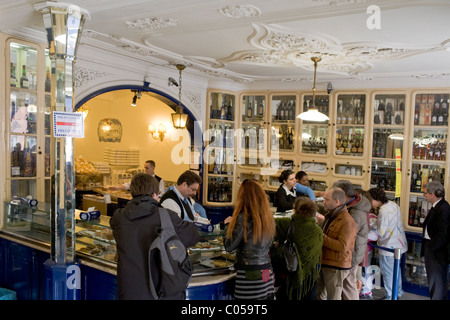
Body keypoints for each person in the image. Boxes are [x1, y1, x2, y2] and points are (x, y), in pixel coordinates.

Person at [110, 173, 199, 300]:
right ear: (154, 194)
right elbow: (193, 236)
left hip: (130, 290)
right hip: (160, 289)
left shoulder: (119, 217)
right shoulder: (166, 216)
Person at [223, 179, 276, 300]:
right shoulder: (269, 218)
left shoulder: (243, 218)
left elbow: (229, 246)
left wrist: (227, 225)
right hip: (266, 271)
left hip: (249, 274)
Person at [275, 197, 323, 300]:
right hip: (309, 277)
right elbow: (317, 256)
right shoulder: (317, 230)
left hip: (289, 271)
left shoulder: (286, 224)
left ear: (295, 209)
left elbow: (267, 222)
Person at [317, 187, 357, 300]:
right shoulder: (331, 216)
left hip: (336, 266)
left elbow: (342, 247)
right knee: (319, 295)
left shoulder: (347, 222)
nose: (323, 202)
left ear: (337, 202)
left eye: (326, 199)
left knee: (334, 297)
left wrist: (320, 236)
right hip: (326, 262)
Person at [332, 180, 370, 300]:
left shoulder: (355, 212)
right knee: (348, 285)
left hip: (350, 254)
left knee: (348, 287)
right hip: (353, 252)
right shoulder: (353, 205)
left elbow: (345, 233)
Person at [369, 187, 408, 300]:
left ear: (375, 199)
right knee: (396, 272)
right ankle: (397, 292)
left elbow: (380, 232)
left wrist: (367, 231)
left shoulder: (383, 211)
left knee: (388, 273)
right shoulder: (392, 204)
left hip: (388, 247)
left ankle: (390, 296)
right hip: (399, 244)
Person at [420, 181, 450, 300]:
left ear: (433, 194)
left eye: (425, 193)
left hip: (437, 252)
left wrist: (430, 247)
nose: (425, 195)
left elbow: (444, 234)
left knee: (436, 281)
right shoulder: (438, 206)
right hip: (433, 249)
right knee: (434, 280)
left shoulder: (443, 208)